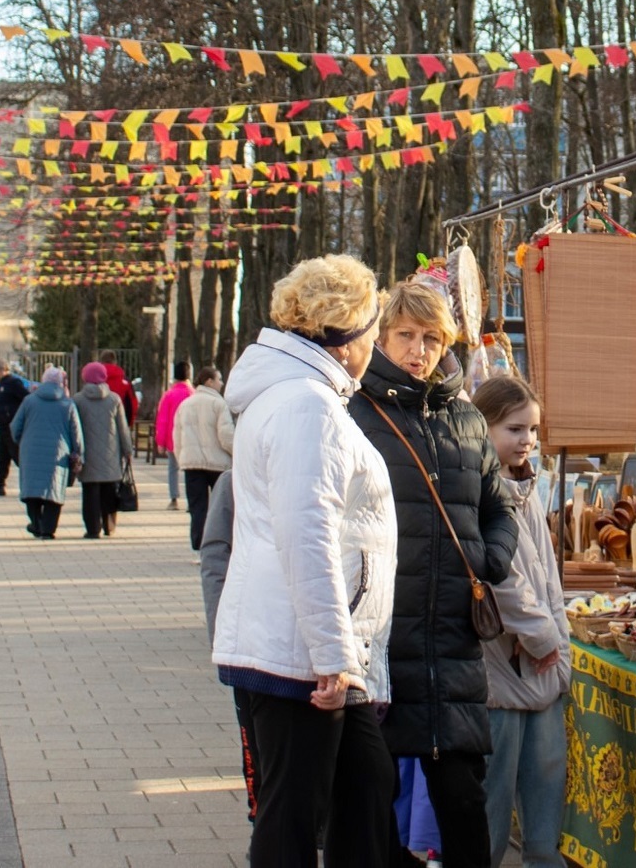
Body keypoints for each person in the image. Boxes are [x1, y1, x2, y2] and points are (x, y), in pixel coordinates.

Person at [212, 255, 397, 868]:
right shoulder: (306, 407)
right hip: (302, 655)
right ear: (347, 339)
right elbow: (307, 532)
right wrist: (332, 658)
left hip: (309, 649)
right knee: (295, 815)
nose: (376, 344)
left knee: (362, 793)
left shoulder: (304, 397)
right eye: (373, 331)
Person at [348, 281, 517, 868]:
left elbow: (500, 508)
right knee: (371, 800)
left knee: (462, 799)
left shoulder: (466, 419)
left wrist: (486, 560)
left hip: (452, 642)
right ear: (382, 337)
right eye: (406, 336)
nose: (418, 350)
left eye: (431, 338)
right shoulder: (354, 412)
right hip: (381, 640)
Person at [472, 377, 568, 868]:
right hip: (507, 667)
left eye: (532, 428)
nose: (527, 439)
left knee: (546, 781)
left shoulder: (526, 488)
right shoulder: (483, 490)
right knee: (494, 794)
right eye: (514, 428)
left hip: (541, 667)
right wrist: (544, 637)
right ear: (481, 427)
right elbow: (503, 578)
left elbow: (543, 574)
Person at [198, 472, 259, 824]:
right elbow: (215, 557)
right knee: (256, 744)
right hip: (249, 644)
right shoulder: (234, 481)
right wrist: (222, 630)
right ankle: (261, 817)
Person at [8, 366, 83, 539]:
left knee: (32, 490)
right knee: (53, 491)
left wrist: (23, 442)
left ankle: (36, 523)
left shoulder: (29, 401)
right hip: (58, 454)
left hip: (30, 452)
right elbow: (76, 432)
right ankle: (48, 529)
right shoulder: (67, 404)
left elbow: (15, 427)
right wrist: (78, 451)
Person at [174, 365, 235, 553]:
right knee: (220, 508)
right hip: (217, 464)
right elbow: (226, 435)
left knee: (197, 507)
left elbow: (177, 435)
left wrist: (181, 458)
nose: (222, 383)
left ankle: (199, 545)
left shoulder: (185, 404)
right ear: (209, 381)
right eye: (219, 379)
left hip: (192, 463)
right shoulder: (219, 404)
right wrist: (237, 453)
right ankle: (218, 544)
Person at [74, 362, 132, 538]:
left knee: (90, 493)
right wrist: (127, 450)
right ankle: (109, 526)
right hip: (110, 453)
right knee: (109, 491)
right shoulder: (114, 399)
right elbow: (122, 428)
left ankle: (92, 529)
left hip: (88, 454)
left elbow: (74, 428)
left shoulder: (78, 400)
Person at [0, 360, 29, 497]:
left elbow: (26, 398)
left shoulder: (13, 383)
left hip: (11, 428)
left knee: (18, 457)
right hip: (3, 429)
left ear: (3, 369)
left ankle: (29, 485)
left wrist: (12, 415)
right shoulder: (1, 384)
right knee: (1, 458)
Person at [155, 361, 193, 511]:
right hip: (190, 438)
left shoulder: (169, 394)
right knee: (190, 471)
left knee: (173, 468)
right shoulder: (193, 393)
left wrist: (161, 441)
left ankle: (174, 498)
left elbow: (163, 419)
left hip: (173, 438)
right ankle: (191, 500)